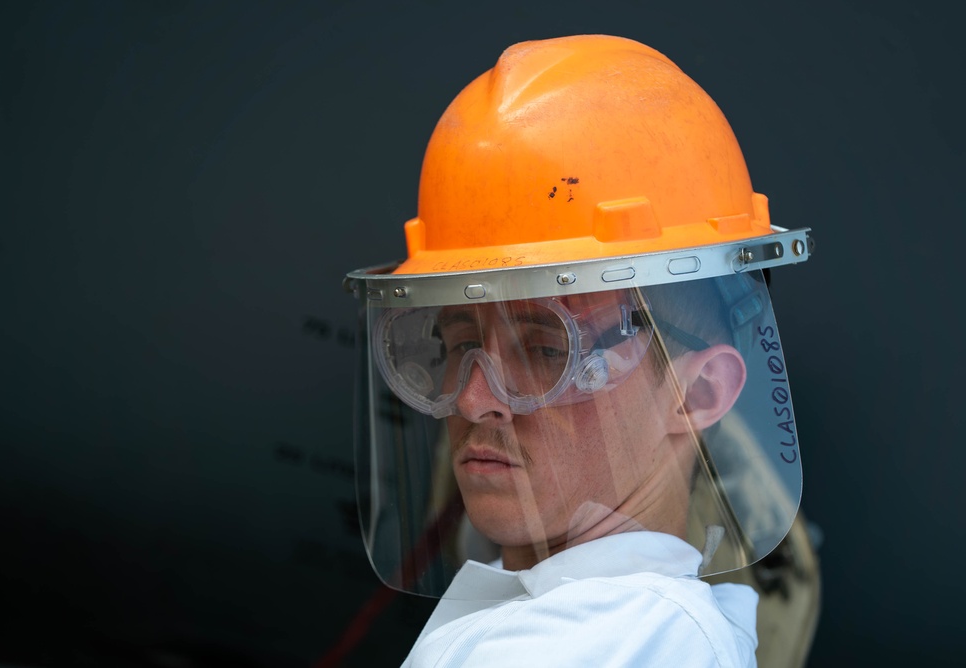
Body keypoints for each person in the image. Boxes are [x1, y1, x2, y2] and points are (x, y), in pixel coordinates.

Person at [343, 34, 814, 667]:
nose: (476, 398)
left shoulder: (631, 641)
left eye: (547, 351)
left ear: (695, 393)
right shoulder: (566, 620)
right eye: (459, 345)